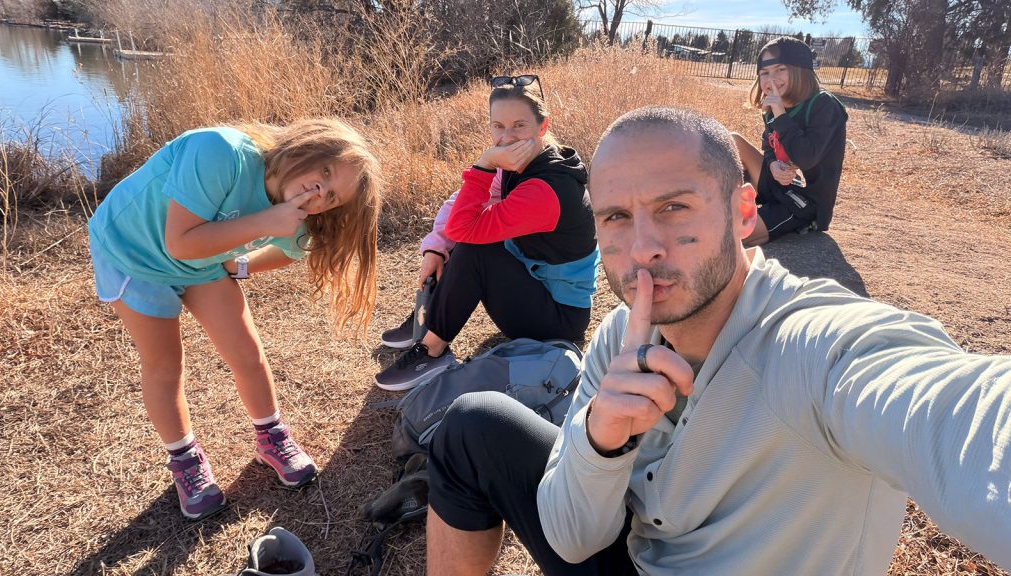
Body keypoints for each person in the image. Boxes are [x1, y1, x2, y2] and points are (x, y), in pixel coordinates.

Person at [424, 106, 1011, 575]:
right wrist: (600, 441)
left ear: (743, 211)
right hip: (636, 559)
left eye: (674, 207)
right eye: (616, 218)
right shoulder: (616, 342)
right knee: (469, 425)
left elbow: (957, 411)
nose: (643, 248)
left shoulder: (814, 347)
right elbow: (573, 541)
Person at [87, 118, 381, 520]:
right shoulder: (219, 152)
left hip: (203, 261)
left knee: (248, 353)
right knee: (165, 365)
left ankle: (271, 437)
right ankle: (185, 461)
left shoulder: (296, 220)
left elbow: (286, 252)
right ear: (306, 146)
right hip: (135, 253)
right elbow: (179, 241)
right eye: (324, 171)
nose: (318, 192)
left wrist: (236, 268)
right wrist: (264, 222)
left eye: (331, 196)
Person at [374, 74, 599, 392]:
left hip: (558, 320)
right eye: (498, 126)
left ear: (543, 126)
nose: (506, 137)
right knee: (458, 239)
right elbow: (460, 205)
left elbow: (465, 227)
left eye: (519, 125)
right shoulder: (519, 163)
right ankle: (428, 315)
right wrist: (435, 248)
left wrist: (483, 164)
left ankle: (433, 350)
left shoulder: (547, 188)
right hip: (535, 283)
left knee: (476, 247)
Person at [731, 36, 848, 246]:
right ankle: (718, 204)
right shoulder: (774, 109)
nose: (771, 78)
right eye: (764, 73)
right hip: (781, 187)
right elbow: (769, 145)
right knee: (733, 140)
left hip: (806, 203)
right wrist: (773, 164)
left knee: (736, 238)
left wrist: (780, 114)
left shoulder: (824, 104)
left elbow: (807, 157)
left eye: (780, 70)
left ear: (800, 70)